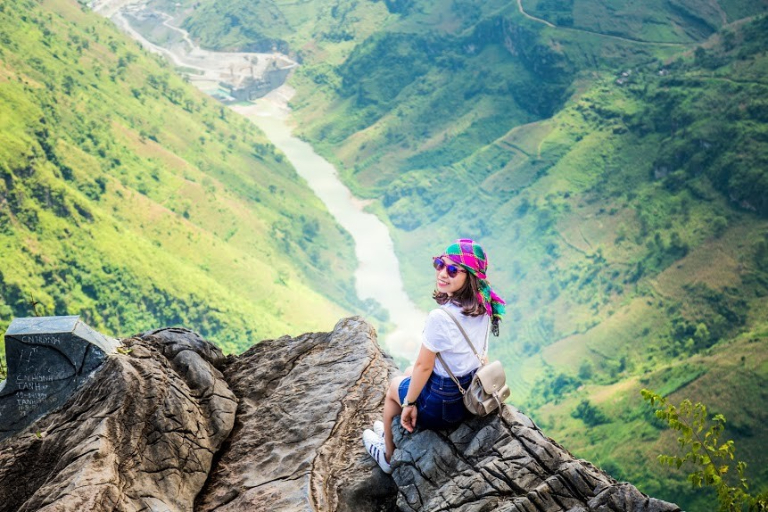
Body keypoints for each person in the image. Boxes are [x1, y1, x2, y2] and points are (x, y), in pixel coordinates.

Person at [362, 238, 506, 474]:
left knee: (393, 390)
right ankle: (392, 430)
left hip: (443, 407)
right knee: (408, 375)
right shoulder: (483, 306)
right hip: (468, 395)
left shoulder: (441, 317)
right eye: (439, 264)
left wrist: (409, 404)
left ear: (469, 277)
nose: (442, 273)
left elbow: (424, 366)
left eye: (451, 270)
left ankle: (387, 456)